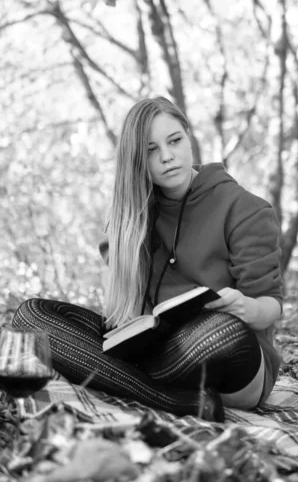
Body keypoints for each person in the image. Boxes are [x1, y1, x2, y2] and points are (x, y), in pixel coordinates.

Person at [12, 96, 283, 422]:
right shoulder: (131, 214)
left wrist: (247, 308)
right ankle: (176, 401)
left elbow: (270, 307)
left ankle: (123, 380)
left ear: (188, 135)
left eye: (175, 141)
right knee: (30, 317)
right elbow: (118, 315)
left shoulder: (244, 208)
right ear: (137, 160)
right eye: (151, 150)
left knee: (223, 330)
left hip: (226, 355)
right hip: (154, 353)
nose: (167, 157)